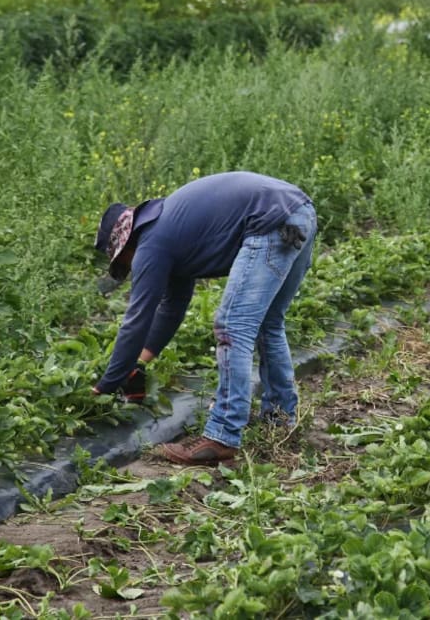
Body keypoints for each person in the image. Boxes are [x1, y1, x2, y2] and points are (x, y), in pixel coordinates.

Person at [92, 171, 316, 465]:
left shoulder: (152, 243)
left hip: (270, 222)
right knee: (268, 324)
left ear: (126, 244)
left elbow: (137, 318)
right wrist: (137, 364)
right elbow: (171, 309)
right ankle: (280, 419)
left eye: (124, 263)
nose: (133, 268)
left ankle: (222, 436)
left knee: (232, 326)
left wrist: (106, 385)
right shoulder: (172, 232)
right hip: (298, 213)